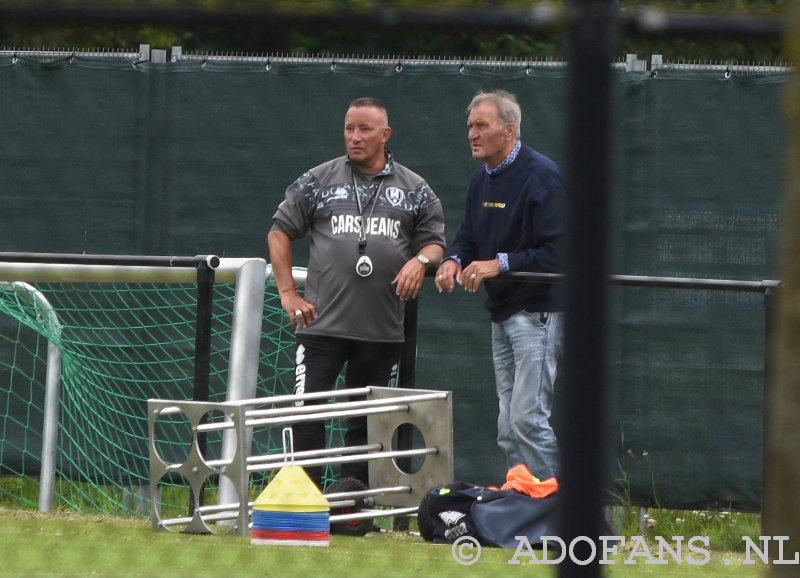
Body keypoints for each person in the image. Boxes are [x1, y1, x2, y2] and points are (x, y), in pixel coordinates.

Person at [267, 97, 446, 488]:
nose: (355, 137)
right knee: (306, 414)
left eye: (365, 129)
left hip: (381, 330)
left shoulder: (415, 189)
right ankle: (306, 503)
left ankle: (353, 505)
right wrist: (287, 293)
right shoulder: (318, 180)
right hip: (320, 325)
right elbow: (279, 231)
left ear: (385, 134)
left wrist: (420, 262)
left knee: (364, 424)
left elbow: (435, 244)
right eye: (349, 128)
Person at [435, 89, 565, 481]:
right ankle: (526, 509)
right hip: (502, 315)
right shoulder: (481, 179)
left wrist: (500, 263)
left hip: (538, 314)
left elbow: (561, 253)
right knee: (508, 430)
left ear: (509, 131)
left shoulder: (542, 175)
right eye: (470, 126)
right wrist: (453, 259)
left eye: (481, 126)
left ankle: (567, 515)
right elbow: (468, 236)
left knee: (527, 420)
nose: (472, 134)